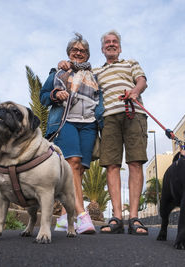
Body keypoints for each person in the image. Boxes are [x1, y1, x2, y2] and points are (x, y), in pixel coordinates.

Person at [59, 30, 148, 235]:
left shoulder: (130, 63)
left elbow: (142, 81)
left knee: (135, 162)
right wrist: (64, 65)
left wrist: (134, 92)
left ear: (119, 47)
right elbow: (75, 74)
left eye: (114, 41)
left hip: (133, 113)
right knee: (112, 165)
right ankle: (116, 216)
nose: (111, 44)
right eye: (107, 42)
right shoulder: (95, 72)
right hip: (108, 119)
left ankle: (134, 217)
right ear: (102, 49)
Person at [40, 33, 104, 234]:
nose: (78, 53)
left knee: (80, 170)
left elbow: (99, 101)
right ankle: (82, 216)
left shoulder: (94, 75)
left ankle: (63, 218)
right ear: (69, 52)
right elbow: (43, 97)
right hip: (65, 121)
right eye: (75, 50)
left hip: (89, 124)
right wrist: (55, 94)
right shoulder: (58, 72)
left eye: (83, 51)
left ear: (87, 55)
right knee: (73, 162)